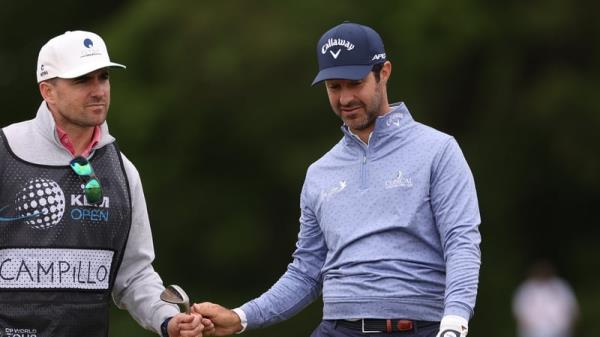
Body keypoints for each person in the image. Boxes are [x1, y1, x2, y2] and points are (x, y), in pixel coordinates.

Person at [193, 21, 482, 337]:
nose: (345, 99)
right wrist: (240, 317)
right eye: (334, 87)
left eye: (355, 83)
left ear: (383, 72)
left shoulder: (438, 150)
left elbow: (461, 242)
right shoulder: (319, 172)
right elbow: (306, 273)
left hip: (419, 328)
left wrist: (455, 322)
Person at [0, 30, 210, 337]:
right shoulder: (6, 152)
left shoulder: (123, 171)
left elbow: (134, 274)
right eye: (82, 80)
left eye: (103, 77)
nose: (98, 90)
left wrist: (167, 319)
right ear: (48, 91)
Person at [512, 260, 579, 337]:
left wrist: (569, 324)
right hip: (533, 332)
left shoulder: (561, 286)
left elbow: (572, 307)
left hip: (559, 331)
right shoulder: (526, 288)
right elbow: (518, 310)